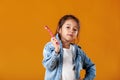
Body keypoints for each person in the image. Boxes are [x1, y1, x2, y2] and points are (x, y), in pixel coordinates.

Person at [42, 14, 96, 80]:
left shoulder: (78, 51)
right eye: (68, 27)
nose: (71, 31)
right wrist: (56, 51)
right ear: (59, 29)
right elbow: (49, 66)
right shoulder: (50, 47)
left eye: (75, 29)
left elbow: (91, 67)